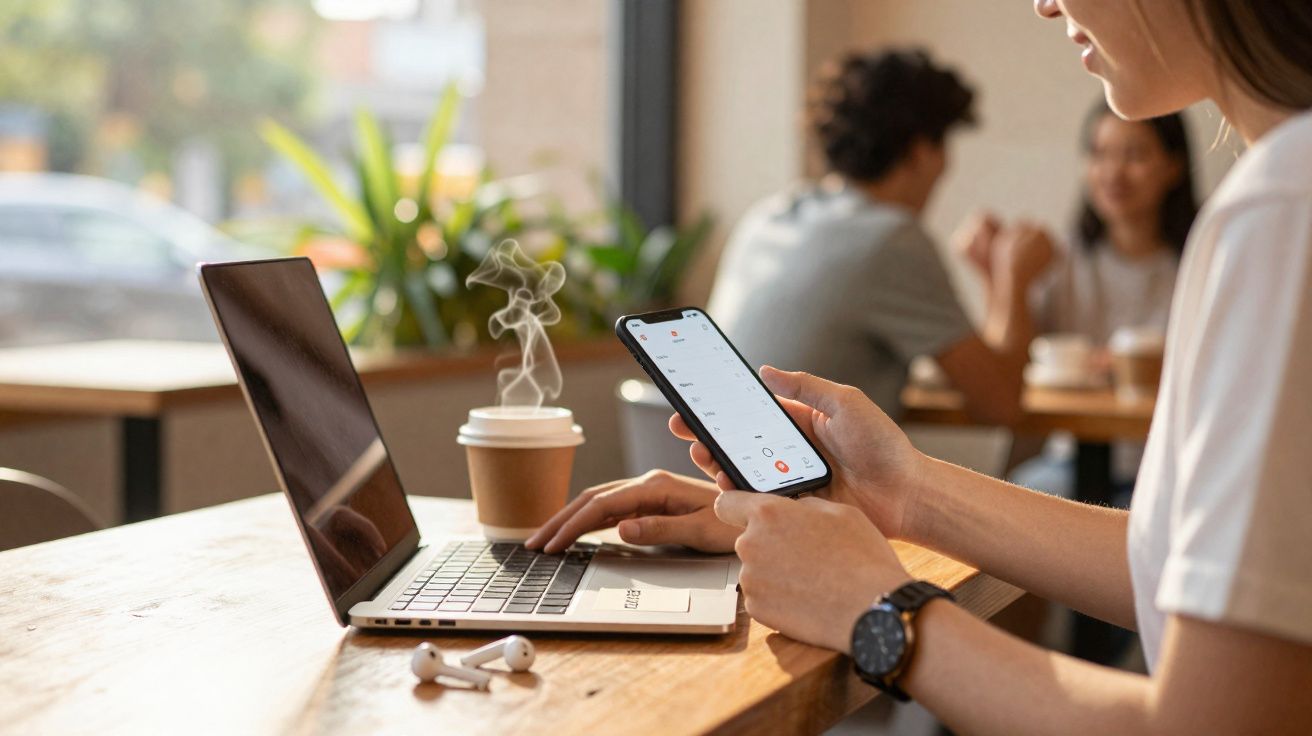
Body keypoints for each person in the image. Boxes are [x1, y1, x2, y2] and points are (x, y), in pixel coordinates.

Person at [529, 1, 1312, 732]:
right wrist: (898, 492)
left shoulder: (1280, 209)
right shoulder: (1275, 198)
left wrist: (878, 610)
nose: (1043, 2)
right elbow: (1168, 563)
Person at [706, 48, 1053, 424]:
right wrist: (1014, 280)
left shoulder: (770, 214)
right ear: (921, 152)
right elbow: (1001, 407)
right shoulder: (890, 240)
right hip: (802, 478)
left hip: (722, 468)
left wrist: (993, 277)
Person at [974, 101, 1200, 499]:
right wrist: (1002, 277)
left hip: (1169, 467)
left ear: (1173, 167)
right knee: (1011, 502)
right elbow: (1011, 363)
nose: (1113, 172)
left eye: (1134, 155)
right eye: (1100, 154)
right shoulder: (1060, 260)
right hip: (1069, 460)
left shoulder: (1200, 262)